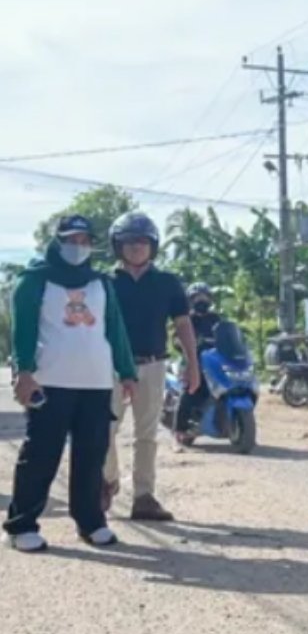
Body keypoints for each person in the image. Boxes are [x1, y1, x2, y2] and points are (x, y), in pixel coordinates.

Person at [4, 214, 138, 552]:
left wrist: (126, 372)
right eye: (70, 240)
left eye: (83, 240)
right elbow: (23, 331)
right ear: (57, 241)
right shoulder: (34, 280)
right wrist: (24, 372)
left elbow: (115, 328)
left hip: (95, 381)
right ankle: (21, 525)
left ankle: (90, 521)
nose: (77, 247)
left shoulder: (100, 283)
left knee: (92, 455)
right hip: (50, 381)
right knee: (41, 454)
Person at [103, 212, 199, 521]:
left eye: (142, 241)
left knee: (146, 433)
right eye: (129, 242)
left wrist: (192, 364)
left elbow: (183, 325)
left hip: (153, 365)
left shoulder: (167, 283)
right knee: (104, 428)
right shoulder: (104, 282)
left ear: (153, 246)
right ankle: (107, 481)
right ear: (117, 246)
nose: (136, 247)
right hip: (111, 367)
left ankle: (143, 497)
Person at [173, 282, 222, 441]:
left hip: (213, 362)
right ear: (191, 300)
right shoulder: (188, 319)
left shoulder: (215, 318)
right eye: (198, 298)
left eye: (205, 297)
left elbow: (226, 335)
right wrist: (186, 347)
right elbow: (176, 339)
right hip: (191, 363)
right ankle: (179, 430)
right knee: (189, 392)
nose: (202, 301)